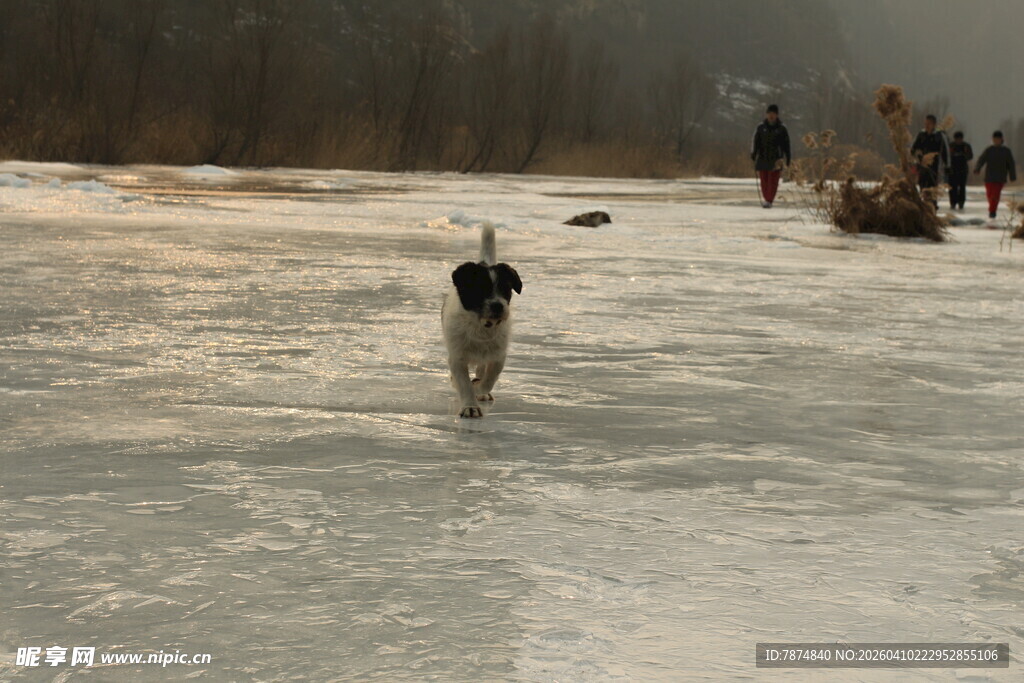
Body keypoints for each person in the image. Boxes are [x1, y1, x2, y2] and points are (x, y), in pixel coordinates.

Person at [751, 104, 791, 208]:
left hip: (776, 159)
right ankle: (766, 199)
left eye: (773, 114)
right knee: (764, 181)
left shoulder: (782, 129)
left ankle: (769, 200)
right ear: (766, 114)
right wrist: (754, 153)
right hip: (763, 158)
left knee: (773, 182)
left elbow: (786, 145)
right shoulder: (761, 127)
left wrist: (788, 158)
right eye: (769, 114)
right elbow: (756, 142)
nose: (771, 116)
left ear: (777, 115)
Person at [973, 130, 1017, 220]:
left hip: (1000, 178)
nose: (996, 141)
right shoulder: (989, 150)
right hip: (989, 177)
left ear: (1001, 140)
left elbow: (1011, 164)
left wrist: (1012, 176)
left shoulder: (1006, 151)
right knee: (989, 195)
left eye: (998, 139)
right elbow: (981, 160)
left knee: (995, 195)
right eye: (995, 139)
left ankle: (992, 211)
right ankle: (992, 208)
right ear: (992, 139)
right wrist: (977, 168)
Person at [910, 114, 949, 208]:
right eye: (925, 123)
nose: (926, 126)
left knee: (932, 187)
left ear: (934, 124)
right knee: (922, 185)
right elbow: (914, 149)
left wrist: (947, 166)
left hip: (934, 166)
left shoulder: (939, 135)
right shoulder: (921, 134)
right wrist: (916, 156)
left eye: (929, 124)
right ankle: (923, 205)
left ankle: (932, 206)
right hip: (922, 165)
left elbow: (945, 152)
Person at [947, 131, 973, 210]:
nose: (958, 140)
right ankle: (953, 202)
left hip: (963, 169)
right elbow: (947, 156)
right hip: (952, 170)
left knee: (962, 187)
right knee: (952, 187)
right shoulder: (951, 146)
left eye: (960, 139)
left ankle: (961, 202)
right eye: (957, 139)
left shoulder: (966, 146)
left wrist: (964, 155)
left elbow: (970, 156)